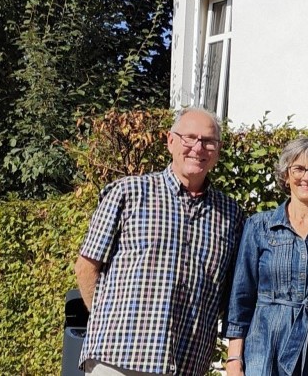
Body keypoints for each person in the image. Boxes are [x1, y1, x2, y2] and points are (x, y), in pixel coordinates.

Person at [74, 107, 244, 376]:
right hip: (117, 358)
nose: (197, 148)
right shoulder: (128, 193)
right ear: (170, 141)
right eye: (189, 137)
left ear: (217, 151)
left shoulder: (231, 214)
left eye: (208, 141)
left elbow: (227, 291)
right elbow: (86, 266)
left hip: (186, 362)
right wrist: (106, 321)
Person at [226, 138, 308, 376]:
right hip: (266, 343)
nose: (307, 177)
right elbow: (241, 296)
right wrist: (234, 357)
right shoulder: (259, 226)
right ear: (286, 175)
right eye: (298, 168)